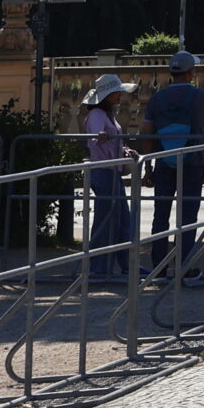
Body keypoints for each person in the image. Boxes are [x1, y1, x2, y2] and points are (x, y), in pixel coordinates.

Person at [142, 50, 204, 273]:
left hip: (163, 162)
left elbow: (147, 135)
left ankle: (158, 264)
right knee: (188, 216)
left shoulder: (157, 99)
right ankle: (183, 264)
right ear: (191, 73)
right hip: (193, 162)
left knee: (161, 214)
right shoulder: (201, 96)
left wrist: (148, 168)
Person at [82, 73, 139, 280]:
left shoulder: (107, 114)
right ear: (107, 95)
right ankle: (99, 267)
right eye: (116, 92)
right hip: (104, 170)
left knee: (121, 218)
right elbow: (98, 137)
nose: (120, 96)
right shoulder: (98, 114)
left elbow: (109, 140)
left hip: (111, 169)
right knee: (106, 220)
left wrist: (125, 151)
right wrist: (106, 138)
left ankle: (124, 264)